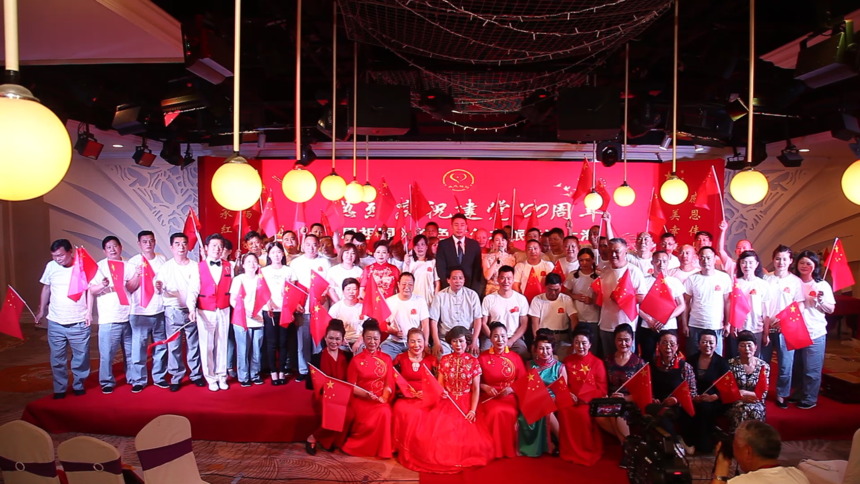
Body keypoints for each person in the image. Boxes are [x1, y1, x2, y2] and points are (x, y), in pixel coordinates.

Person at [398, 325, 494, 473]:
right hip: (447, 401)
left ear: (467, 342)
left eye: (461, 341)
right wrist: (441, 393)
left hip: (467, 401)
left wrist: (473, 410)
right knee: (436, 437)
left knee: (469, 439)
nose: (458, 345)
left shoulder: (473, 361)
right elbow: (440, 386)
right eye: (454, 341)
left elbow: (476, 389)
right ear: (450, 343)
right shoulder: (445, 360)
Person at [37, 239, 93, 399]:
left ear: (70, 252)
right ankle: (60, 388)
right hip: (56, 321)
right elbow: (46, 288)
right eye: (54, 256)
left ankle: (79, 385)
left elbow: (90, 290)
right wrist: (41, 310)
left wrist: (89, 312)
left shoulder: (81, 266)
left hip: (78, 320)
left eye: (61, 255)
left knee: (81, 357)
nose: (58, 259)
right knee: (57, 358)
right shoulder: (51, 266)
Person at [335, 319, 395, 458]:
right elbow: (351, 386)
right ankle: (356, 446)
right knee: (371, 419)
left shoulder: (386, 359)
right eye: (369, 338)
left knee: (385, 411)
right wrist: (366, 395)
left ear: (380, 339)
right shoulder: (356, 360)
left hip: (380, 398)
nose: (372, 342)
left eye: (376, 338)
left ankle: (382, 450)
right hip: (361, 399)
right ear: (363, 338)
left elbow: (389, 384)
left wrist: (384, 397)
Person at [153, 233, 204, 392]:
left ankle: (196, 375)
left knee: (193, 344)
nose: (181, 247)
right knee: (174, 346)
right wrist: (159, 287)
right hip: (173, 311)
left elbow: (194, 288)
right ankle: (176, 376)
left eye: (184, 243)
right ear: (171, 247)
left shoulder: (195, 266)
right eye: (177, 244)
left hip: (190, 310)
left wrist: (191, 308)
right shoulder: (166, 267)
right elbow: (159, 288)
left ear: (188, 246)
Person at [125, 230, 168, 393]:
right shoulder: (134, 262)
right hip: (139, 312)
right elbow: (130, 287)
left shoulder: (162, 259)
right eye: (144, 241)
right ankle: (139, 379)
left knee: (160, 346)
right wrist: (137, 275)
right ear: (139, 244)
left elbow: (166, 282)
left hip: (159, 309)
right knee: (139, 348)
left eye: (151, 241)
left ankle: (159, 377)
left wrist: (161, 285)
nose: (148, 244)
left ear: (155, 242)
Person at [187, 234, 232, 392]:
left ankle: (222, 375)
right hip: (205, 310)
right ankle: (210, 377)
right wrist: (191, 308)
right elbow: (193, 290)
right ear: (206, 248)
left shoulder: (229, 266)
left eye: (220, 246)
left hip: (224, 309)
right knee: (207, 345)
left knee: (222, 343)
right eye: (213, 246)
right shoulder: (198, 267)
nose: (217, 249)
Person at [789, 250, 834, 409]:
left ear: (815, 266)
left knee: (811, 368)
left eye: (809, 263)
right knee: (797, 367)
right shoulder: (793, 282)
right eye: (802, 262)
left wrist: (821, 300)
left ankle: (809, 398)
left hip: (815, 331)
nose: (804, 266)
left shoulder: (821, 285)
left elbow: (831, 309)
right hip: (795, 331)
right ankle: (798, 393)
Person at [88, 236, 132, 394]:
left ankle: (133, 378)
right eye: (109, 247)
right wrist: (102, 285)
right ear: (104, 251)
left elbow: (134, 287)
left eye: (115, 246)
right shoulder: (99, 267)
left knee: (131, 352)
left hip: (129, 315)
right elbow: (91, 290)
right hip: (109, 317)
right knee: (107, 354)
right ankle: (106, 381)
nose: (112, 249)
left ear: (120, 247)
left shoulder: (129, 265)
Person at [762, 245, 804, 409]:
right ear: (773, 260)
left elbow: (800, 305)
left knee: (786, 363)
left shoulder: (795, 281)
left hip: (786, 328)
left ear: (790, 261)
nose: (781, 262)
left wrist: (786, 320)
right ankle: (761, 391)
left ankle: (781, 394)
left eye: (785, 259)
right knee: (763, 362)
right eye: (778, 258)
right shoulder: (766, 279)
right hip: (766, 326)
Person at [558, 326, 607, 466]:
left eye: (584, 343)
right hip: (570, 399)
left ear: (590, 344)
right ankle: (568, 449)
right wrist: (568, 394)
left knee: (582, 414)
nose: (580, 346)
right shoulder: (567, 360)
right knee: (564, 410)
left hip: (587, 402)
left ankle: (586, 450)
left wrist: (585, 398)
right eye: (577, 342)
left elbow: (602, 390)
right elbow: (562, 383)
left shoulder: (597, 363)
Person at [478, 321, 527, 459]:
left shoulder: (515, 358)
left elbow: (523, 382)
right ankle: (494, 450)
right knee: (495, 411)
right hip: (489, 397)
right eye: (496, 336)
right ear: (491, 338)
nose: (500, 340)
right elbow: (475, 382)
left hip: (509, 397)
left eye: (503, 336)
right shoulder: (482, 357)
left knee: (508, 411)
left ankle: (508, 449)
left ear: (507, 337)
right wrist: (484, 387)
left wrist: (512, 388)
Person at [305, 320, 352, 455]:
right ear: (325, 338)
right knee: (338, 413)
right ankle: (313, 437)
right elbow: (309, 384)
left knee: (350, 414)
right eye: (330, 338)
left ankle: (332, 441)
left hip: (343, 396)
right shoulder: (316, 358)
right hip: (324, 396)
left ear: (342, 340)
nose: (334, 342)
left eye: (337, 339)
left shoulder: (348, 356)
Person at [290, 234, 332, 382]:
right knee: (303, 341)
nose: (311, 248)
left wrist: (325, 296)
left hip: (319, 309)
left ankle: (317, 369)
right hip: (302, 308)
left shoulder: (324, 262)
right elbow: (292, 285)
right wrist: (295, 303)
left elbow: (329, 284)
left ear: (318, 246)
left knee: (318, 341)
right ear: (303, 246)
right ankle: (303, 370)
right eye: (308, 244)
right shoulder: (296, 263)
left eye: (314, 244)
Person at [712, 420, 810, 484]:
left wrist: (722, 465)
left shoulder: (741, 482)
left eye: (735, 447)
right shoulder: (798, 475)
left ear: (748, 452)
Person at [519, 329, 566, 457]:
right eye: (541, 348)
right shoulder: (529, 365)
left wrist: (552, 399)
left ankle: (560, 441)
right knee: (542, 405)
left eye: (547, 348)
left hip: (554, 399)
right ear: (535, 350)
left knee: (546, 407)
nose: (544, 352)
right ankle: (560, 442)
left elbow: (563, 391)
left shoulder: (560, 367)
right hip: (533, 399)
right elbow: (525, 388)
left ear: (552, 349)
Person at [597, 238, 647, 356]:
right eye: (610, 251)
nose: (613, 255)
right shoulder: (604, 271)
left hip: (626, 326)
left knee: (626, 360)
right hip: (606, 324)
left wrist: (623, 299)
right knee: (608, 360)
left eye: (617, 251)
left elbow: (642, 297)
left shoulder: (634, 271)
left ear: (626, 251)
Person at [392, 328, 437, 460]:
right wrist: (407, 393)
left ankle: (422, 449)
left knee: (424, 412)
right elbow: (395, 380)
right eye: (412, 341)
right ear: (407, 343)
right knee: (402, 410)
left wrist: (427, 393)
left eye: (419, 341)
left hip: (426, 397)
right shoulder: (400, 359)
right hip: (405, 397)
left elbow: (437, 383)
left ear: (424, 342)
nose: (416, 345)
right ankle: (405, 449)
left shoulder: (432, 360)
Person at [598, 324, 645, 445]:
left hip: (630, 402)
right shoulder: (607, 360)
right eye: (620, 340)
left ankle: (627, 446)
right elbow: (602, 383)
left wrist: (625, 398)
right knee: (598, 415)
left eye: (626, 340)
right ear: (614, 341)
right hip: (611, 399)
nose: (623, 343)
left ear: (632, 340)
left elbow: (643, 392)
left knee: (617, 412)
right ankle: (630, 441)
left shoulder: (639, 363)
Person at [650, 331, 697, 448]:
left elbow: (692, 392)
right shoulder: (651, 364)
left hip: (677, 406)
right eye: (664, 343)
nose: (668, 347)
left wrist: (677, 400)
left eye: (672, 344)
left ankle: (675, 444)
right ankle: (676, 444)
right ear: (658, 345)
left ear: (677, 347)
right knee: (658, 413)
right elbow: (646, 387)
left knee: (665, 416)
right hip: (656, 404)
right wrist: (652, 398)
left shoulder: (685, 367)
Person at [685, 329, 730, 454]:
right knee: (688, 407)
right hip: (693, 396)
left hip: (714, 399)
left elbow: (728, 388)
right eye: (704, 342)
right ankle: (688, 442)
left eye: (711, 342)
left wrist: (714, 397)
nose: (707, 345)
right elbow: (684, 381)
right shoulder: (691, 360)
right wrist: (693, 396)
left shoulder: (722, 363)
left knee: (705, 407)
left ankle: (704, 444)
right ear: (698, 343)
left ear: (716, 344)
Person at [682, 247, 732, 357]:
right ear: (698, 259)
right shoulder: (692, 278)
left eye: (708, 258)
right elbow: (686, 303)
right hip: (695, 325)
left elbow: (727, 302)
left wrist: (727, 324)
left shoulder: (724, 278)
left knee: (716, 359)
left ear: (714, 259)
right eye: (702, 258)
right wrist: (685, 324)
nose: (705, 261)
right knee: (693, 358)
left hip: (715, 325)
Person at [638, 250, 686, 361]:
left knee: (669, 357)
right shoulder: (644, 281)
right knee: (647, 357)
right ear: (652, 262)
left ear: (668, 262)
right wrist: (649, 320)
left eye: (664, 261)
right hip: (648, 326)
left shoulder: (674, 282)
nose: (661, 264)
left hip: (669, 326)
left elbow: (682, 305)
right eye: (658, 261)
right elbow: (637, 305)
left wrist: (666, 318)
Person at [261, 242, 297, 385]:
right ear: (268, 255)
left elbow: (294, 293)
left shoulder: (289, 271)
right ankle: (273, 373)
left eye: (278, 252)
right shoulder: (264, 271)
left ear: (283, 254)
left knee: (283, 342)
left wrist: (292, 309)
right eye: (273, 252)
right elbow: (260, 291)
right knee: (271, 343)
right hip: (269, 310)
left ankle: (282, 371)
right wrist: (267, 302)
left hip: (285, 311)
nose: (276, 255)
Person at [229, 253, 267, 386]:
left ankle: (255, 374)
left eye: (254, 261)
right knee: (243, 350)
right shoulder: (238, 279)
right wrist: (245, 311)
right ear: (243, 265)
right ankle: (243, 377)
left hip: (259, 319)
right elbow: (233, 300)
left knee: (256, 350)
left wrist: (260, 313)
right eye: (249, 261)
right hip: (242, 319)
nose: (252, 264)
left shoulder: (261, 279)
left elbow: (266, 298)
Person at [429, 267, 483, 357]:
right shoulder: (440, 296)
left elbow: (478, 319)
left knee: (473, 357)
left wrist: (474, 341)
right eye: (454, 278)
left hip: (467, 339)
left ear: (464, 280)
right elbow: (434, 321)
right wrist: (437, 343)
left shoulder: (472, 295)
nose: (458, 281)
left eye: (460, 278)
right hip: (445, 339)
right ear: (448, 280)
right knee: (440, 356)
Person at [728, 251, 771, 359]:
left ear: (756, 264)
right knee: (736, 360)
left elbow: (766, 311)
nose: (747, 266)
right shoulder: (734, 283)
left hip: (756, 328)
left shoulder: (763, 284)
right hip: (738, 329)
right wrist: (732, 325)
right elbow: (730, 307)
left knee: (754, 360)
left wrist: (766, 333)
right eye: (744, 262)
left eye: (750, 262)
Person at [480, 265, 530, 357]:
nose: (506, 281)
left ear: (513, 280)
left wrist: (511, 340)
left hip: (513, 337)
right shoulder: (489, 299)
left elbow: (524, 324)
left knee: (523, 352)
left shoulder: (521, 299)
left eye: (509, 278)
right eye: (502, 278)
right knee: (484, 352)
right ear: (498, 279)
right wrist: (494, 338)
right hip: (493, 337)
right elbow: (483, 323)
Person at [726, 330, 769, 431]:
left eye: (749, 345)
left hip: (756, 401)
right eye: (742, 345)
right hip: (735, 401)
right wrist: (740, 396)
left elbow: (763, 393)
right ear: (738, 348)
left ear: (755, 347)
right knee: (742, 410)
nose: (747, 349)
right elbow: (727, 390)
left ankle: (756, 439)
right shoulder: (730, 364)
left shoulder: (764, 366)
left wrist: (743, 392)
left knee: (755, 411)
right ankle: (737, 438)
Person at [529, 272, 578, 358]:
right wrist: (536, 341)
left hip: (562, 337)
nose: (553, 293)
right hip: (543, 337)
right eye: (550, 289)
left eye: (556, 290)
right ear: (545, 286)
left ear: (561, 286)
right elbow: (535, 323)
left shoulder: (566, 299)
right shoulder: (537, 300)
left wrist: (575, 340)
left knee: (567, 357)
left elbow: (574, 319)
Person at [435, 213, 486, 295]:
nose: (459, 228)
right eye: (456, 225)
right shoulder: (443, 244)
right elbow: (441, 268)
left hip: (469, 290)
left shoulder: (474, 245)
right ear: (451, 227)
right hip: (449, 290)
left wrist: (473, 290)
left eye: (462, 225)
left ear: (466, 227)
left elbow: (477, 269)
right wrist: (449, 287)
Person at [382, 273, 430, 359]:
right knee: (383, 357)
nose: (407, 287)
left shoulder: (420, 300)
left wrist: (425, 343)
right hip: (393, 342)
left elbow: (425, 324)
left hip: (414, 343)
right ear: (398, 284)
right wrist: (393, 331)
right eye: (404, 284)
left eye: (410, 284)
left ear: (414, 285)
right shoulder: (389, 301)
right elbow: (383, 324)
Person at [564, 248, 601, 355]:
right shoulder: (573, 275)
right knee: (576, 348)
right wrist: (575, 296)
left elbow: (603, 297)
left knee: (592, 349)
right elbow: (565, 293)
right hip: (577, 317)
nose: (584, 263)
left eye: (587, 260)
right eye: (581, 260)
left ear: (593, 260)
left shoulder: (599, 276)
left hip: (594, 317)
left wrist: (592, 300)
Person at [328, 278, 365, 353]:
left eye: (354, 289)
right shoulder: (336, 308)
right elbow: (329, 328)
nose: (351, 292)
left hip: (360, 340)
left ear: (358, 291)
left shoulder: (363, 307)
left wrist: (358, 342)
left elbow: (368, 328)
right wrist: (340, 340)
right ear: (343, 291)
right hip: (342, 341)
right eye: (348, 289)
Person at [404, 234, 440, 307]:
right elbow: (404, 280)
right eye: (417, 245)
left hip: (429, 299)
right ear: (414, 248)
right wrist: (407, 264)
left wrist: (436, 298)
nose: (420, 247)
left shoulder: (432, 262)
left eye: (422, 244)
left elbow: (437, 283)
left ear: (426, 247)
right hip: (413, 298)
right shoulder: (409, 261)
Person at [483, 229, 518, 296]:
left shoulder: (512, 258)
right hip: (492, 292)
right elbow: (487, 276)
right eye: (497, 240)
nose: (500, 242)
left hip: (507, 291)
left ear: (506, 242)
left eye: (503, 240)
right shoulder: (487, 258)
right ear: (493, 242)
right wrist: (496, 260)